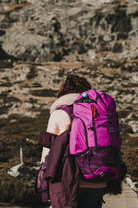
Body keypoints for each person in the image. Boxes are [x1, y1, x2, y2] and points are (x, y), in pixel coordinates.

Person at [40, 74, 107, 208]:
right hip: (98, 179)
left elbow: (47, 153)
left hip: (68, 182)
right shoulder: (99, 112)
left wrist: (44, 181)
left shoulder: (60, 114)